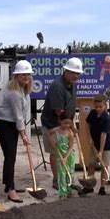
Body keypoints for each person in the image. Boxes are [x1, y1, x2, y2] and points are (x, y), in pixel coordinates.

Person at [0, 60, 33, 203]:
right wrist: (23, 134)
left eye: (28, 74)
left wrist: (23, 132)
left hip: (11, 124)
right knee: (10, 156)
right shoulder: (14, 93)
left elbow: (21, 115)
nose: (26, 77)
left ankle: (8, 184)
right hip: (4, 124)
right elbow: (18, 116)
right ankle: (11, 189)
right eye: (23, 75)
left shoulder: (24, 90)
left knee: (11, 156)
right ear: (16, 76)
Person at [41, 57, 83, 190]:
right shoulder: (57, 86)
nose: (75, 75)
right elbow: (58, 111)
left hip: (66, 123)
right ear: (65, 71)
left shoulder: (71, 85)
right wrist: (67, 126)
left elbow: (70, 107)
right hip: (53, 124)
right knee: (56, 152)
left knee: (68, 152)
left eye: (77, 73)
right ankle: (56, 179)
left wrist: (72, 125)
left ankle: (68, 178)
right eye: (72, 72)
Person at [83, 94, 110, 195]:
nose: (98, 109)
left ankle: (102, 187)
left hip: (105, 146)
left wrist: (100, 151)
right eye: (96, 107)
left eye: (100, 107)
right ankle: (89, 186)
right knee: (91, 164)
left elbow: (103, 135)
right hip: (94, 144)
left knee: (104, 166)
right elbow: (87, 124)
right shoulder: (92, 113)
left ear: (105, 106)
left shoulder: (106, 119)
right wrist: (89, 138)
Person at [48, 111, 76, 198]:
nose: (67, 125)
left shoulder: (70, 133)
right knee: (61, 174)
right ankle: (62, 193)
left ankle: (69, 190)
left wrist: (66, 157)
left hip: (69, 156)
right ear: (60, 120)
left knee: (69, 173)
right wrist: (52, 141)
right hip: (59, 155)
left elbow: (71, 147)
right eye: (65, 123)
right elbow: (49, 133)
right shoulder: (56, 130)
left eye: (69, 123)